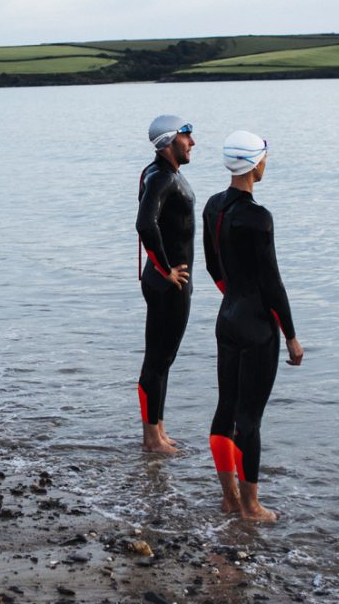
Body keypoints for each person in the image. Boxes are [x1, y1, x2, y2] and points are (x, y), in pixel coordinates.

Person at [202, 130, 303, 520]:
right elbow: (272, 283)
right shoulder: (259, 218)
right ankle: (251, 506)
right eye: (265, 157)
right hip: (258, 325)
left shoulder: (214, 207)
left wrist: (233, 296)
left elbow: (213, 265)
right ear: (254, 163)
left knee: (225, 410)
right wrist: (291, 336)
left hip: (226, 318)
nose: (266, 164)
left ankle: (228, 498)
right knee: (250, 420)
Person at [135, 114, 195, 454]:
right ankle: (151, 439)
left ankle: (158, 429)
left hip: (164, 281)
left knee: (163, 359)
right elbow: (145, 224)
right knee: (157, 360)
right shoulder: (161, 177)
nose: (193, 142)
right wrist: (167, 268)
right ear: (170, 141)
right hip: (168, 283)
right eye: (187, 136)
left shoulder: (161, 173)